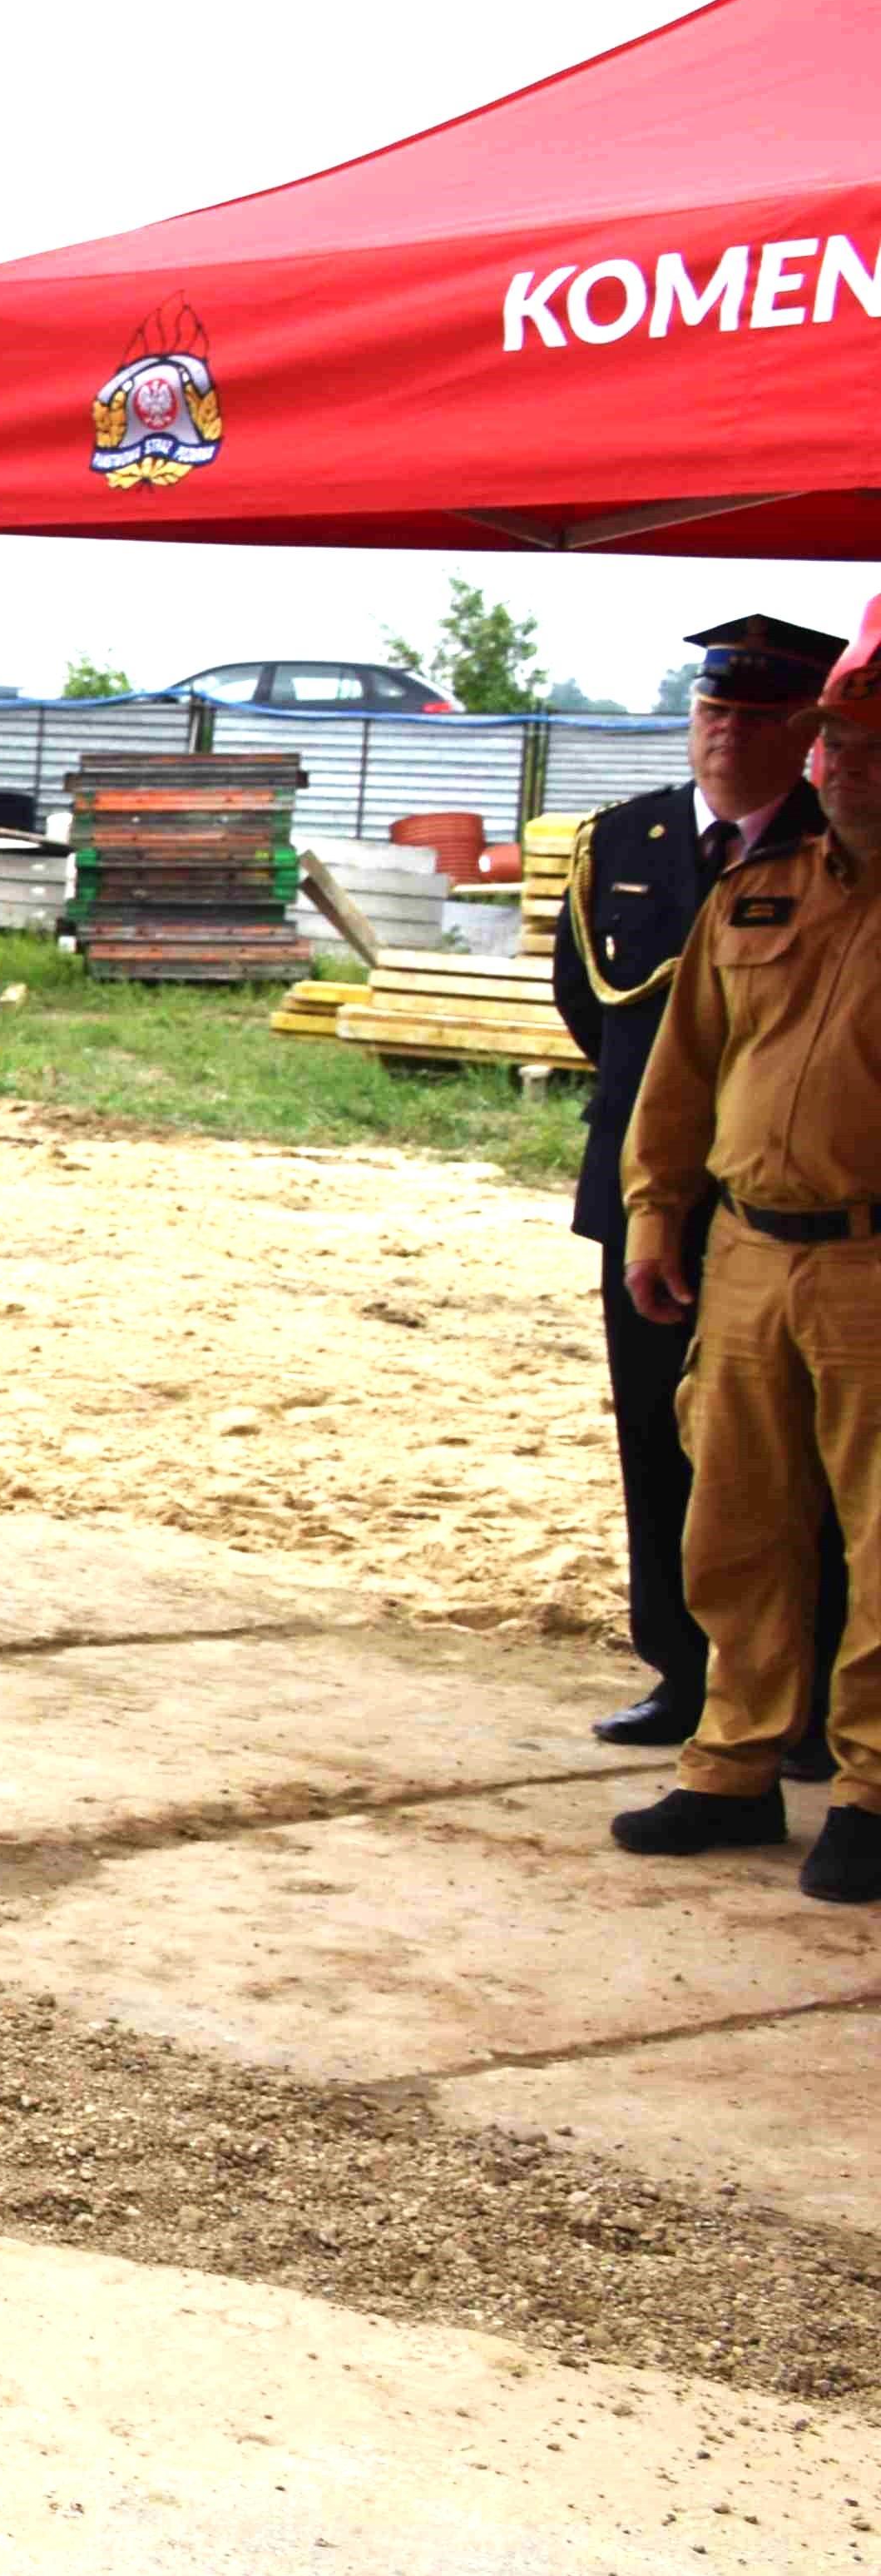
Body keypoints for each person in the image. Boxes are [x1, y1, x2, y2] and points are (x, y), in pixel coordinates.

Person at [610, 598, 881, 1906]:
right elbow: (682, 1072)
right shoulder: (755, 892)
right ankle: (734, 1763)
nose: (851, 770)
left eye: (876, 752)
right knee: (735, 1520)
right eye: (840, 749)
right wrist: (655, 1214)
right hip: (748, 1257)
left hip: (872, 1266)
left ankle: (873, 1788)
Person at [557, 615, 842, 1764]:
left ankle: (807, 1691)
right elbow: (594, 1014)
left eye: (758, 717)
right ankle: (682, 1670)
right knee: (656, 1436)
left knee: (798, 1457)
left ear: (805, 731)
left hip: (792, 1204)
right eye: (713, 712)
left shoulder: (841, 845)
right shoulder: (625, 838)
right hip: (645, 1194)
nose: (728, 734)